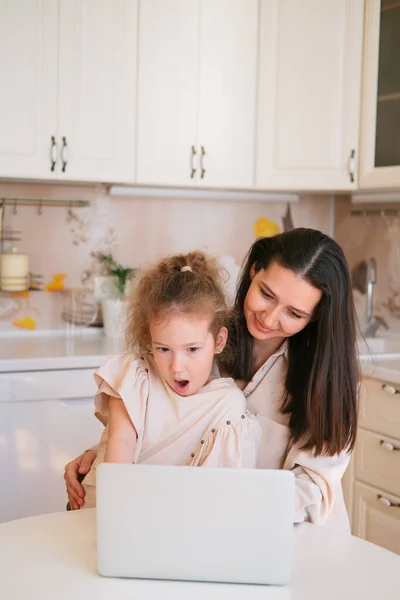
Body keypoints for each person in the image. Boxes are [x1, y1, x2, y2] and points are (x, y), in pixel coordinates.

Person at [65, 228, 359, 531]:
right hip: (198, 527)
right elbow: (163, 426)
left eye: (294, 313)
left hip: (288, 533)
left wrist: (227, 504)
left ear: (316, 316)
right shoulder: (198, 337)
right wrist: (98, 460)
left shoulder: (326, 381)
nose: (269, 318)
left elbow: (313, 489)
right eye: (266, 294)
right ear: (254, 270)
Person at [77, 250, 261, 508]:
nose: (177, 367)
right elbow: (120, 451)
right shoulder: (136, 376)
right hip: (111, 513)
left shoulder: (227, 406)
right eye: (163, 349)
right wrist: (117, 522)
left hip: (177, 522)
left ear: (219, 340)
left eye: (192, 350)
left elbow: (218, 493)